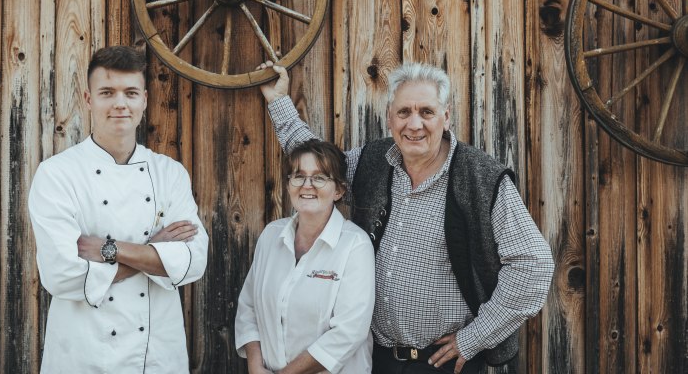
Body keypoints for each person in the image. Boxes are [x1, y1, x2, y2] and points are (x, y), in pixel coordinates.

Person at [258, 61, 554, 374]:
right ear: (389, 117)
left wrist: (474, 337)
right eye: (404, 112)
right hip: (377, 359)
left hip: (442, 363)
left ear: (446, 116)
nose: (414, 124)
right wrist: (278, 101)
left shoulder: (478, 177)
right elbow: (319, 169)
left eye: (426, 111)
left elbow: (533, 265)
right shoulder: (374, 162)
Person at [28, 46, 208, 373]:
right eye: (107, 92)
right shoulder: (56, 174)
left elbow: (194, 261)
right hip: (84, 356)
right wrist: (158, 252)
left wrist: (110, 250)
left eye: (131, 92)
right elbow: (62, 275)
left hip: (156, 357)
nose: (120, 103)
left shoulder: (170, 173)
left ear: (145, 100)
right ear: (88, 99)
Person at [235, 139, 376, 373]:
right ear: (289, 184)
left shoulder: (354, 245)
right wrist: (255, 365)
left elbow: (349, 332)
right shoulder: (271, 236)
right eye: (298, 176)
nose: (307, 185)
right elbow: (248, 308)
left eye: (319, 177)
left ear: (339, 190)